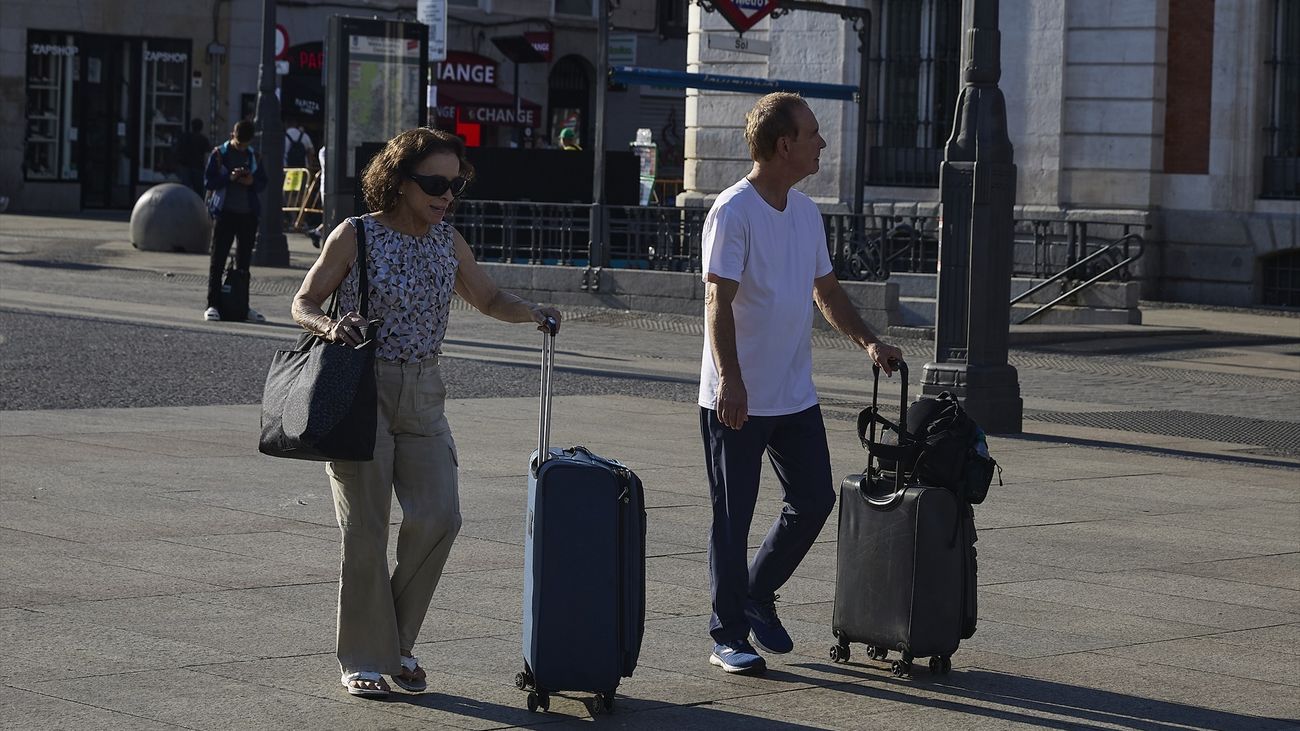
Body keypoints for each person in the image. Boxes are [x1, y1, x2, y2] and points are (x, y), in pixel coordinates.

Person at [290, 127, 562, 699]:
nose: (446, 195)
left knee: (440, 517)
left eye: (454, 184)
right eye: (435, 183)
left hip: (424, 391)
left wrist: (534, 313)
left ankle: (391, 641)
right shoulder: (355, 235)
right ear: (400, 180)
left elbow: (488, 298)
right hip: (361, 389)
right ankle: (368, 656)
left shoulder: (448, 241)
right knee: (365, 529)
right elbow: (304, 301)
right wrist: (331, 326)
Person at [697, 93, 903, 675]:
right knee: (731, 516)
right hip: (735, 396)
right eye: (813, 134)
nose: (822, 144)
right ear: (784, 145)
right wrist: (730, 382)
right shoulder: (733, 211)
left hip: (792, 392)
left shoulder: (806, 213)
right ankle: (728, 635)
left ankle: (757, 594)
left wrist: (869, 341)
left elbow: (828, 292)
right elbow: (717, 300)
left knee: (813, 498)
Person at [203, 119, 267, 322]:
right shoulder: (219, 154)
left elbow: (262, 182)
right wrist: (228, 178)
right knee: (218, 259)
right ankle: (212, 304)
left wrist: (251, 182)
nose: (241, 147)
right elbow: (208, 181)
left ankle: (241, 305)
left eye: (245, 144)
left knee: (244, 264)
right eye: (239, 144)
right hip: (225, 213)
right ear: (233, 135)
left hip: (247, 215)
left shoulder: (253, 156)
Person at [174, 118, 210, 198]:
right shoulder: (203, 139)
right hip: (197, 167)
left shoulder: (184, 137)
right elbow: (207, 154)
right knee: (199, 191)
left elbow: (177, 150)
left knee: (185, 190)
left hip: (185, 166)